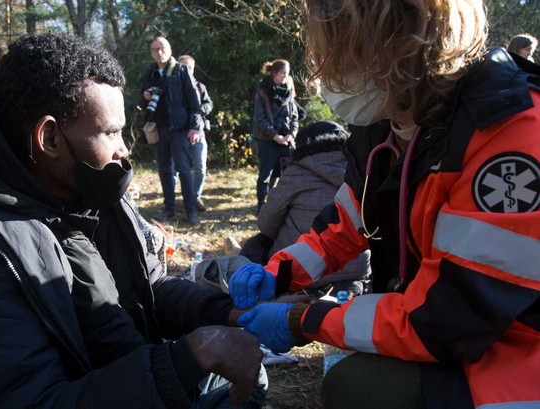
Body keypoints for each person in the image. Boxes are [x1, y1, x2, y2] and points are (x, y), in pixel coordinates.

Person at [0, 32, 268, 409]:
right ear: (50, 137)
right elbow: (27, 400)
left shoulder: (87, 184)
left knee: (249, 373)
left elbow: (149, 284)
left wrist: (231, 315)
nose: (125, 149)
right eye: (111, 132)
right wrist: (189, 358)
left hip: (119, 373)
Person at [229, 0, 540, 408]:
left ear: (401, 45)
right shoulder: (385, 126)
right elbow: (342, 226)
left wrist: (302, 320)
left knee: (357, 386)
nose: (329, 72)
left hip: (514, 354)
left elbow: (443, 319)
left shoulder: (509, 131)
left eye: (342, 50)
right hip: (446, 329)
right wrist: (277, 273)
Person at [241, 120, 372, 295]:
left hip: (297, 271)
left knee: (257, 243)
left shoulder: (296, 171)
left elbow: (266, 224)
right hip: (357, 270)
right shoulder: (364, 170)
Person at [139, 37, 202, 226]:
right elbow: (142, 104)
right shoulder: (149, 73)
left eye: (162, 48)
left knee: (184, 170)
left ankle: (191, 211)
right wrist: (145, 96)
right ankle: (169, 210)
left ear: (170, 48)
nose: (159, 52)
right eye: (155, 49)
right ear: (151, 52)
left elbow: (194, 101)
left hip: (180, 128)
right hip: (159, 128)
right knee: (165, 170)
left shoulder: (181, 70)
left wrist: (194, 127)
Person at [252, 59, 299, 213]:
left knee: (283, 176)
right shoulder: (263, 90)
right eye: (283, 73)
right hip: (267, 139)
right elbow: (260, 119)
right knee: (265, 175)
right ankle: (261, 206)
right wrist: (274, 136)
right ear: (275, 73)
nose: (286, 76)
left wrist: (291, 134)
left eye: (287, 73)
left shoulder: (289, 90)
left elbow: (294, 117)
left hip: (286, 141)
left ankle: (277, 206)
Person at [178, 54, 214, 213]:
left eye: (190, 68)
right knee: (177, 169)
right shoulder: (173, 87)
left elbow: (209, 104)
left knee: (200, 166)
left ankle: (195, 196)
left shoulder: (200, 87)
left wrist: (199, 109)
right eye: (184, 67)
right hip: (178, 133)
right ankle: (183, 198)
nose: (187, 71)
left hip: (199, 132)